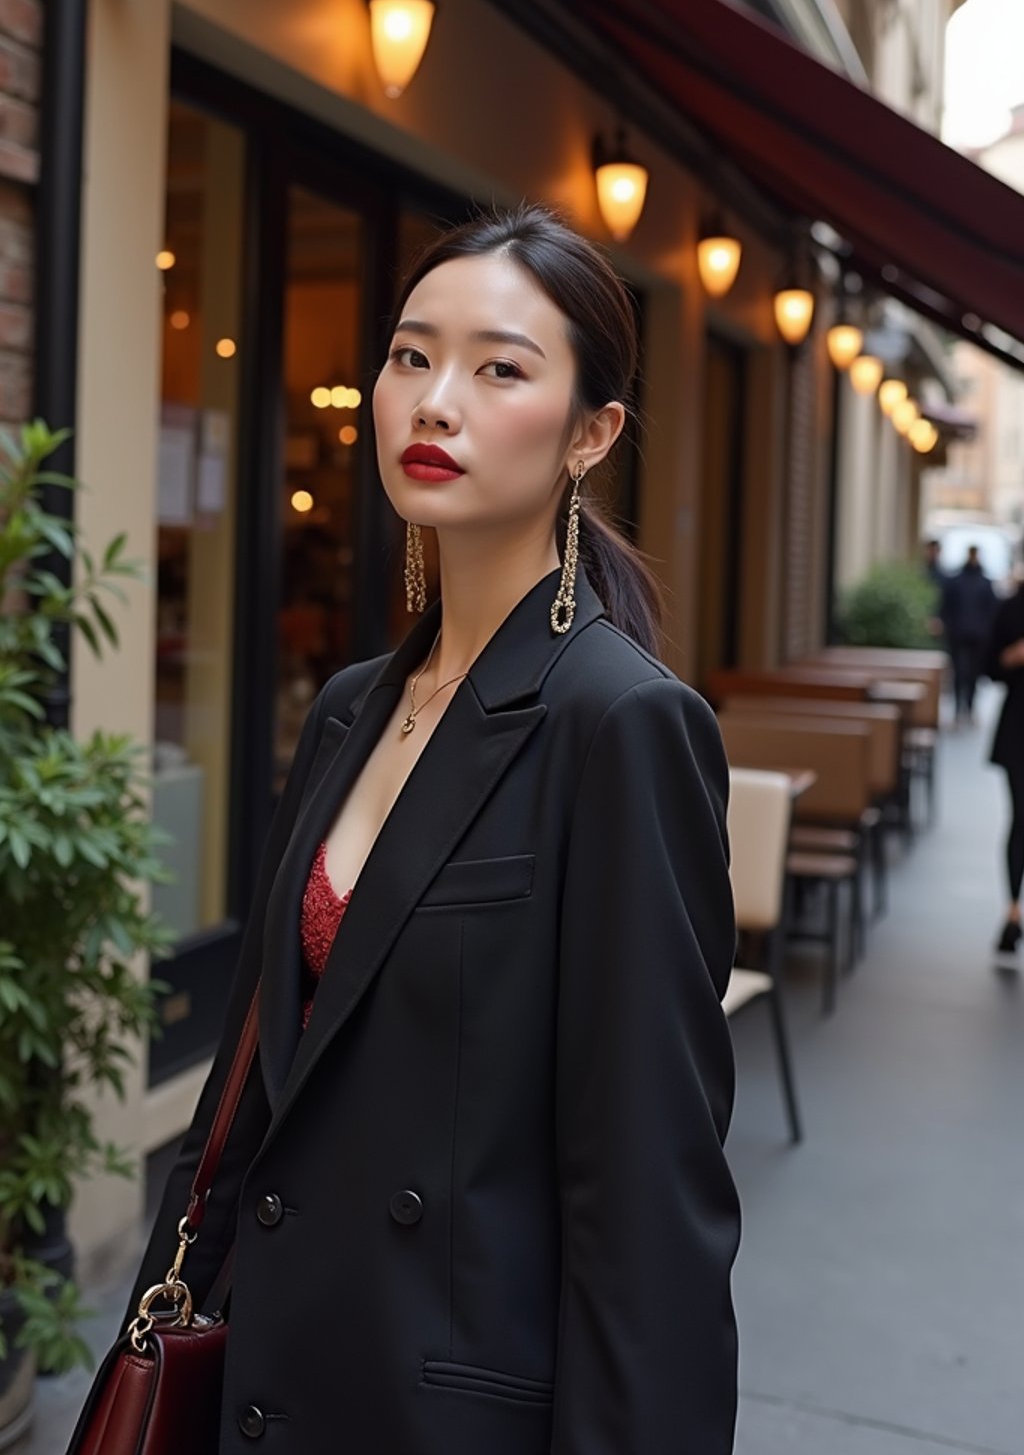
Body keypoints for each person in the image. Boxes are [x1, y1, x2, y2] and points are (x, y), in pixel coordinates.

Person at [120, 206, 741, 1452]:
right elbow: (244, 1107)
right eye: (410, 356)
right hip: (268, 1382)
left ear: (591, 432)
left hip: (442, 1413)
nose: (433, 400)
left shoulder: (618, 725)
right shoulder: (357, 706)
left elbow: (645, 1208)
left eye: (500, 368)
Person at [987, 577, 1024, 959]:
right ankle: (1012, 910)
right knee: (1021, 819)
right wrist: (1011, 658)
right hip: (1019, 729)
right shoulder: (1012, 606)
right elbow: (989, 666)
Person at [941, 545, 999, 724]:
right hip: (958, 634)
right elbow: (946, 607)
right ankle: (959, 710)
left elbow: (992, 611)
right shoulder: (956, 581)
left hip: (978, 636)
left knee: (974, 674)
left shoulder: (985, 583)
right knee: (959, 673)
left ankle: (970, 707)